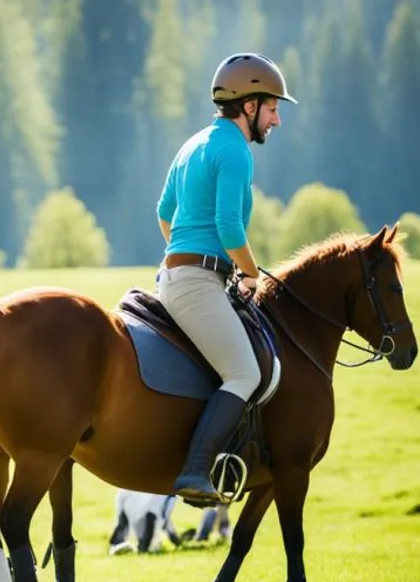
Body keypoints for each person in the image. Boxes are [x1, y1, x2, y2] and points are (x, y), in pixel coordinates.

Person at [155, 52, 296, 507]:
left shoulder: (193, 143)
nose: (276, 120)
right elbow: (230, 226)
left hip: (176, 274)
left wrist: (188, 253)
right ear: (248, 105)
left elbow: (164, 215)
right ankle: (196, 472)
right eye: (272, 108)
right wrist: (251, 274)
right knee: (244, 371)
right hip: (198, 282)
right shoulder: (234, 150)